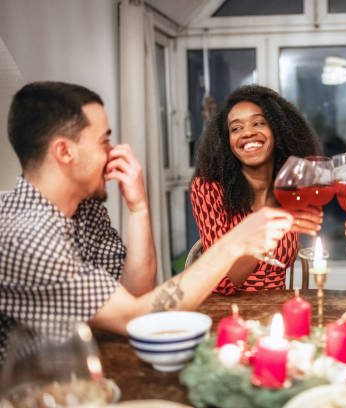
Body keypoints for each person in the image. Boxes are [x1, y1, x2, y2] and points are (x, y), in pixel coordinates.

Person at [0, 81, 293, 362]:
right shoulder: (27, 236)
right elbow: (137, 317)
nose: (114, 152)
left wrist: (139, 208)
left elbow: (135, 293)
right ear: (65, 151)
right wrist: (235, 242)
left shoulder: (84, 209)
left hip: (81, 363)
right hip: (31, 387)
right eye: (104, 141)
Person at [191, 85, 323, 295]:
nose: (248, 132)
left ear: (278, 132)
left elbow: (283, 262)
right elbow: (226, 281)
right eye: (236, 128)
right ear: (227, 142)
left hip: (275, 312)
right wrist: (271, 220)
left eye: (258, 123)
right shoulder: (209, 189)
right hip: (224, 312)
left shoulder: (292, 188)